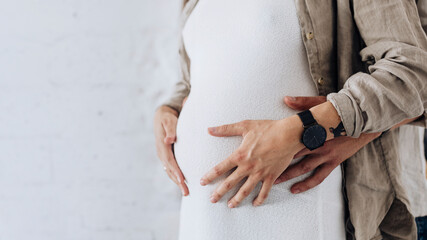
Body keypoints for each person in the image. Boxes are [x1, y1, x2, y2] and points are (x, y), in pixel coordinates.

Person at [153, 0, 427, 239]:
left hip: (302, 206)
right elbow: (206, 70)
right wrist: (170, 109)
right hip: (204, 217)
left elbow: (412, 73)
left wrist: (309, 129)